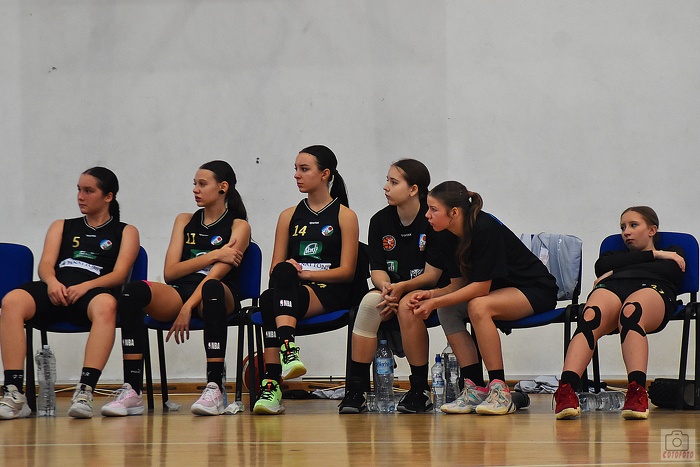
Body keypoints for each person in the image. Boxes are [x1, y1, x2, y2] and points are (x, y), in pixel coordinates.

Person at [101, 161, 250, 417]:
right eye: (194, 184)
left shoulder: (239, 226)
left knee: (212, 288)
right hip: (181, 290)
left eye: (202, 184)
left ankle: (214, 388)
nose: (195, 189)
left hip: (219, 293)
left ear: (223, 187)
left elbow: (216, 274)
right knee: (132, 292)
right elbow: (171, 271)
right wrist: (213, 254)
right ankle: (132, 390)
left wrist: (188, 307)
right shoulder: (184, 220)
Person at [0, 167, 140, 420]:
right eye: (78, 190)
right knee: (11, 301)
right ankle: (14, 392)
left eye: (88, 191)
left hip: (92, 292)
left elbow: (120, 274)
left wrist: (86, 287)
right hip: (57, 288)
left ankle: (85, 391)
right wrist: (52, 282)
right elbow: (45, 264)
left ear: (108, 196)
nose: (80, 196)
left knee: (107, 305)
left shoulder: (125, 231)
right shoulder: (62, 226)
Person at [409, 181, 558, 415]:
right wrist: (431, 294)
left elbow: (480, 288)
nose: (427, 215)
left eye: (433, 209)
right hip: (497, 292)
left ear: (454, 212)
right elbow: (458, 285)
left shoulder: (484, 227)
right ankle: (475, 388)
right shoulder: (444, 234)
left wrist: (434, 301)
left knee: (478, 306)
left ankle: (500, 391)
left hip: (533, 289)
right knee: (447, 310)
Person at [253, 145, 359, 415]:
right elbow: (275, 267)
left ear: (325, 174)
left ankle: (272, 382)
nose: (296, 175)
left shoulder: (345, 215)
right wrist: (289, 270)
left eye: (304, 169)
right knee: (273, 289)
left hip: (329, 290)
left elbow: (347, 271)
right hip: (292, 289)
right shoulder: (288, 215)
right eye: (295, 169)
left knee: (270, 300)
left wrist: (306, 274)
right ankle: (288, 351)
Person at [554, 206, 685, 420]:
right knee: (590, 317)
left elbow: (670, 271)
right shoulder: (616, 254)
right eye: (623, 227)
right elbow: (601, 266)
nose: (626, 232)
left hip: (653, 288)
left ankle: (636, 392)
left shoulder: (673, 251)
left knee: (631, 313)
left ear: (652, 230)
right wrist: (654, 256)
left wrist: (616, 271)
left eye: (633, 225)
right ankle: (566, 390)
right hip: (614, 288)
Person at [339, 159, 448, 414]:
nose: (386, 187)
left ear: (413, 189)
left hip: (426, 290)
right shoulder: (380, 220)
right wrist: (387, 288)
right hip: (392, 290)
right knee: (369, 304)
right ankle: (357, 390)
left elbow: (432, 275)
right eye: (387, 181)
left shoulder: (431, 219)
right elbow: (376, 268)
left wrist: (401, 289)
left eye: (393, 182)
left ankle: (419, 389)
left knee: (408, 306)